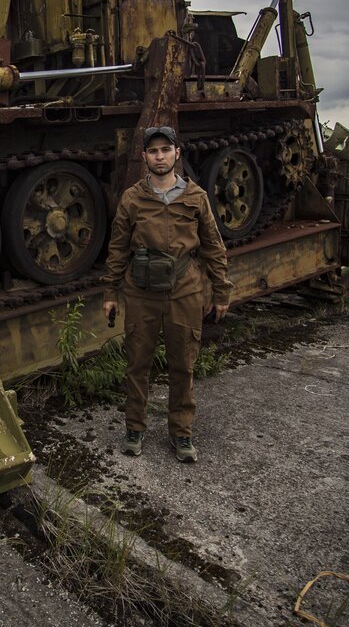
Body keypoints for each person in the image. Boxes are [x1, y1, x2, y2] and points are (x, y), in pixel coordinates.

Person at [102, 125, 232, 462]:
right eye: (153, 151)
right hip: (142, 292)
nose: (160, 156)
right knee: (137, 364)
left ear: (177, 153)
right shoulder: (132, 198)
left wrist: (221, 292)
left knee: (183, 365)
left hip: (185, 290)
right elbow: (117, 248)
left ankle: (181, 434)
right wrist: (110, 292)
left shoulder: (196, 197)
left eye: (165, 150)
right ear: (145, 157)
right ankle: (135, 428)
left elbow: (214, 248)